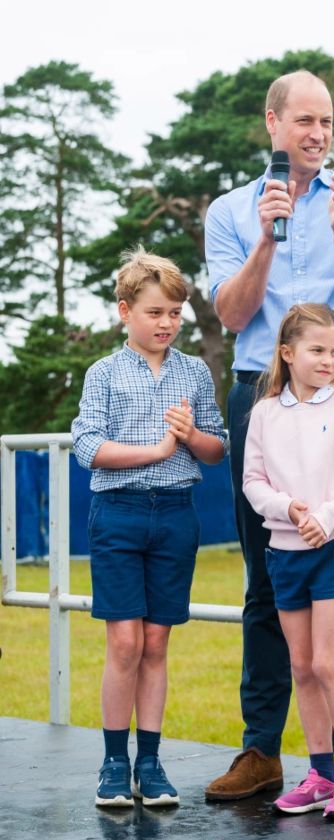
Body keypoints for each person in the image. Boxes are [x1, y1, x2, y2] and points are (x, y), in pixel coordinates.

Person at [204, 69, 334, 806]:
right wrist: (263, 239)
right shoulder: (230, 209)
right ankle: (263, 751)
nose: (319, 134)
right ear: (272, 122)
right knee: (266, 576)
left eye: (328, 122)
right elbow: (231, 314)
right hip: (259, 392)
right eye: (305, 121)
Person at [72, 248, 227, 807]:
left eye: (175, 314)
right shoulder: (103, 373)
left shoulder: (193, 371)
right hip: (118, 514)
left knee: (157, 642)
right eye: (156, 312)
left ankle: (152, 764)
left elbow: (215, 449)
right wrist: (157, 448)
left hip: (176, 515)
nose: (167, 324)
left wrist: (188, 439)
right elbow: (88, 447)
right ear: (125, 311)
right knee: (124, 642)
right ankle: (114, 763)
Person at [243, 303, 334, 820]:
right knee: (300, 666)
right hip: (285, 550)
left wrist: (327, 516)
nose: (329, 360)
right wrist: (288, 509)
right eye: (317, 350)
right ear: (287, 352)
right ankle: (320, 773)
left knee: (327, 662)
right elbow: (253, 481)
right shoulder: (263, 413)